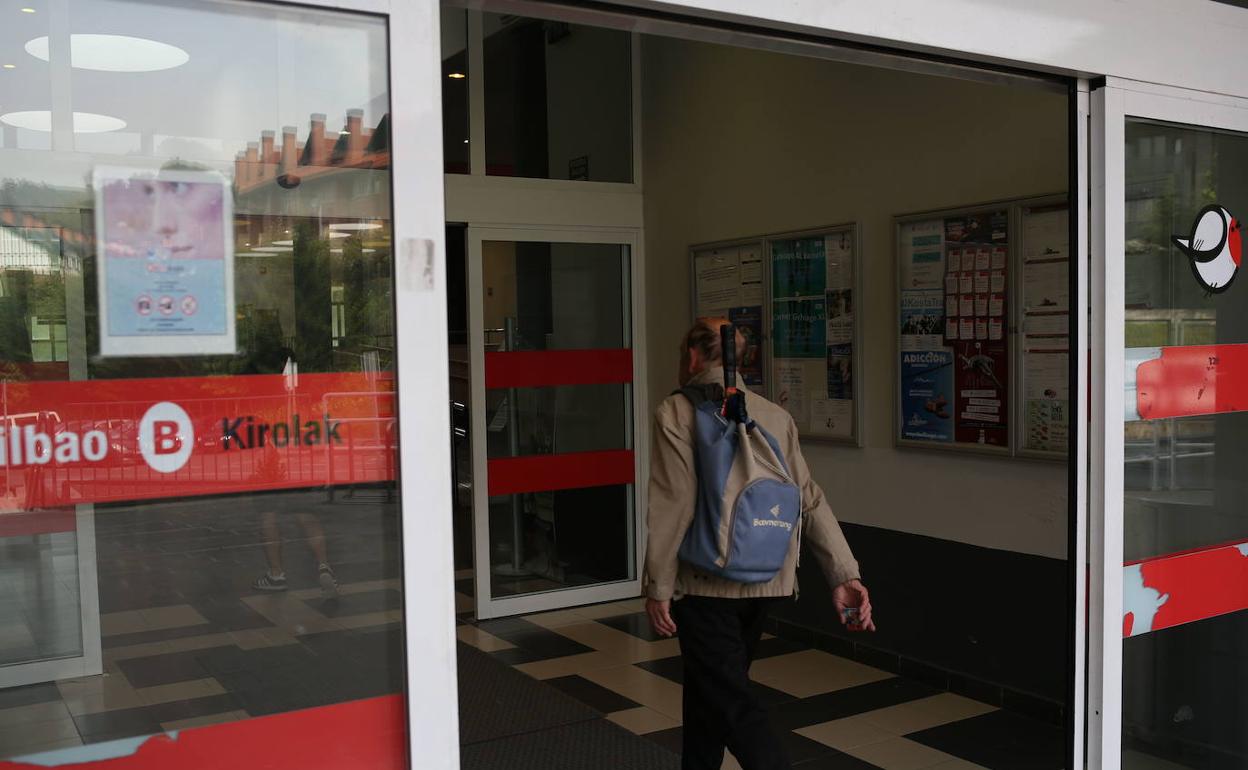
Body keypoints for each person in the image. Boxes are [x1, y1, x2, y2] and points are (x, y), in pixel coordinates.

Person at [644, 317, 875, 770]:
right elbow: (808, 498)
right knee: (710, 693)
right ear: (743, 359)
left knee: (732, 704)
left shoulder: (675, 412)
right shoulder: (774, 415)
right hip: (766, 577)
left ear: (692, 356)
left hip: (705, 583)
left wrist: (659, 586)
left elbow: (674, 503)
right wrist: (844, 575)